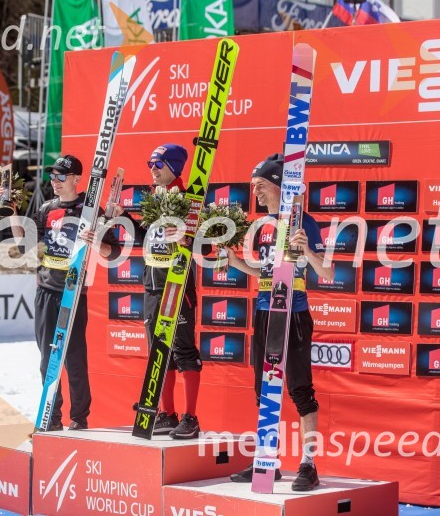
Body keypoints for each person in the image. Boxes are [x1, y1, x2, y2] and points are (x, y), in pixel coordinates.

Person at [225, 153, 334, 491]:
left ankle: (308, 464)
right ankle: (266, 462)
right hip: (264, 309)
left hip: (295, 312)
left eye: (259, 185)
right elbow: (264, 271)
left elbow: (328, 273)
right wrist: (236, 262)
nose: (254, 191)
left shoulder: (303, 222)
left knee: (300, 388)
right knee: (264, 390)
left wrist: (310, 252)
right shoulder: (263, 225)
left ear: (275, 184)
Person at [11, 154, 119, 431]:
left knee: (74, 358)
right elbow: (25, 245)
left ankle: (79, 418)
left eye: (61, 177)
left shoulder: (91, 209)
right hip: (47, 291)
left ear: (75, 179)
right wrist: (11, 211)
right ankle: (52, 418)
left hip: (73, 292)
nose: (55, 182)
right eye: (52, 176)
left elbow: (113, 251)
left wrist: (97, 243)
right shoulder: (47, 208)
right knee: (47, 358)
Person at [111, 144, 203, 440]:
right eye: (150, 163)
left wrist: (189, 239)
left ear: (174, 168)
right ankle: (168, 414)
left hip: (177, 284)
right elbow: (144, 238)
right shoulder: (155, 198)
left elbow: (209, 245)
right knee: (159, 353)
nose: (152, 168)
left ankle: (191, 418)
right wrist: (124, 216)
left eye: (159, 164)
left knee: (184, 350)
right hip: (152, 285)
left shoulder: (190, 201)